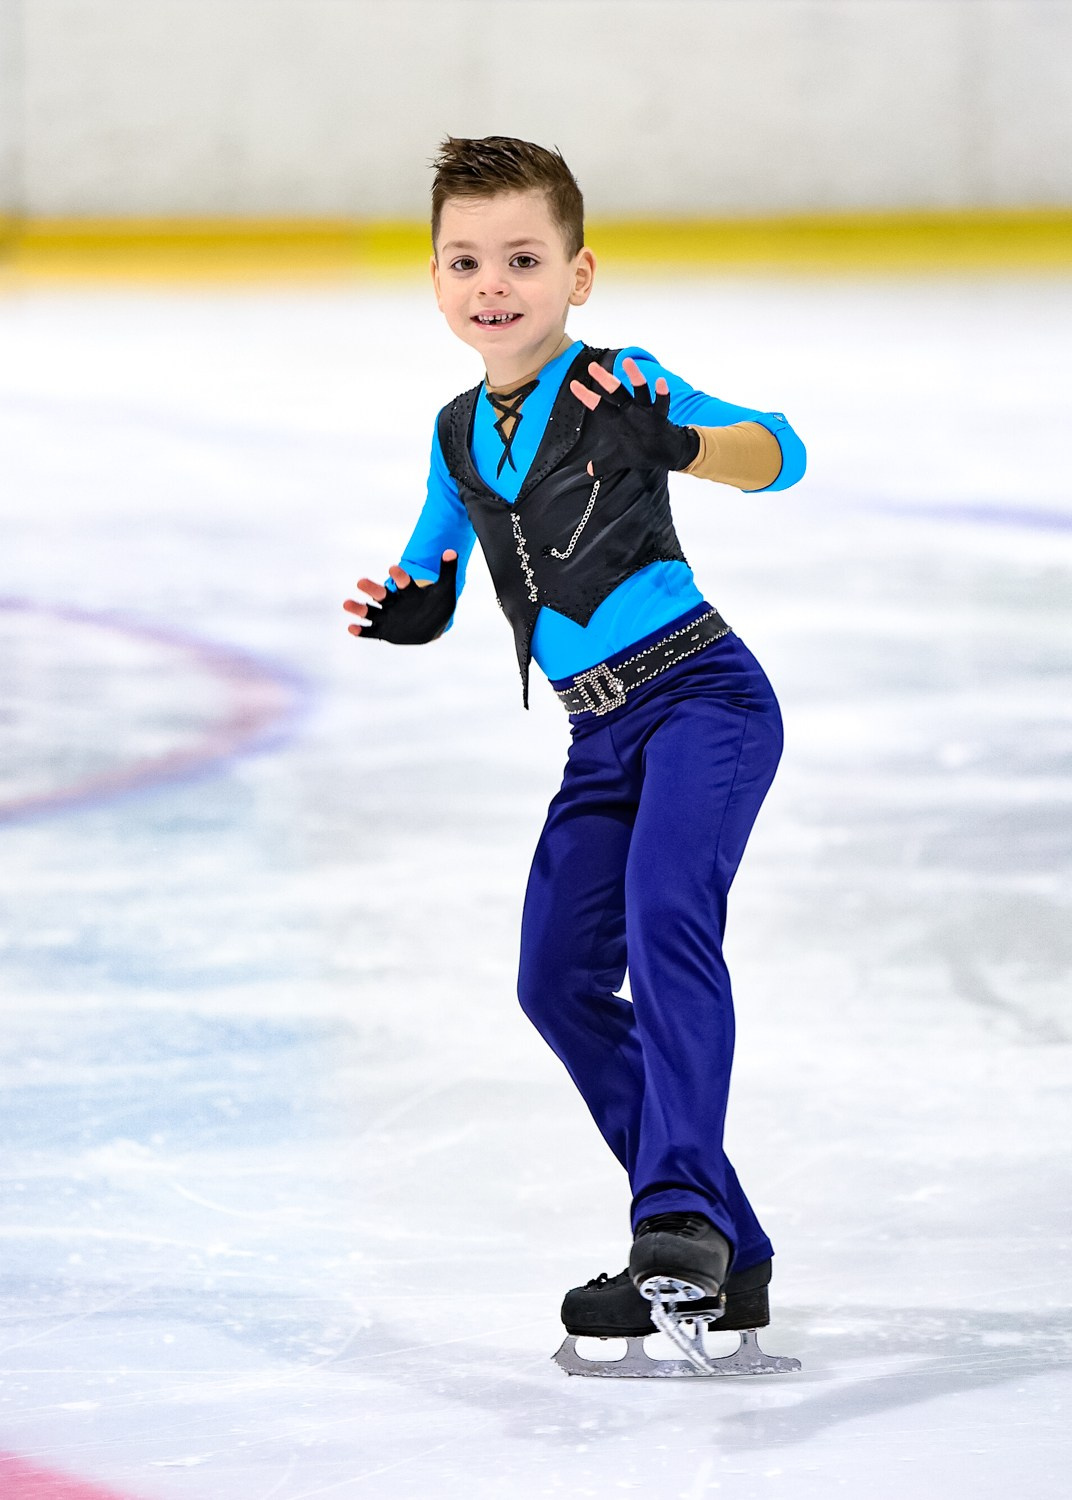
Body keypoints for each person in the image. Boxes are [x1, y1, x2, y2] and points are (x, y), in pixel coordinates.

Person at [343, 136, 807, 1376]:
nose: (493, 283)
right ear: (436, 278)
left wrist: (682, 444)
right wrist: (409, 607)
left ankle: (676, 1219)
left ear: (577, 273)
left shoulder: (619, 382)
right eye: (466, 261)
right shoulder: (455, 434)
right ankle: (732, 1252)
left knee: (667, 926)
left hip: (705, 698)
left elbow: (777, 450)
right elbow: (436, 566)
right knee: (554, 978)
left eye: (524, 259)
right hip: (599, 731)